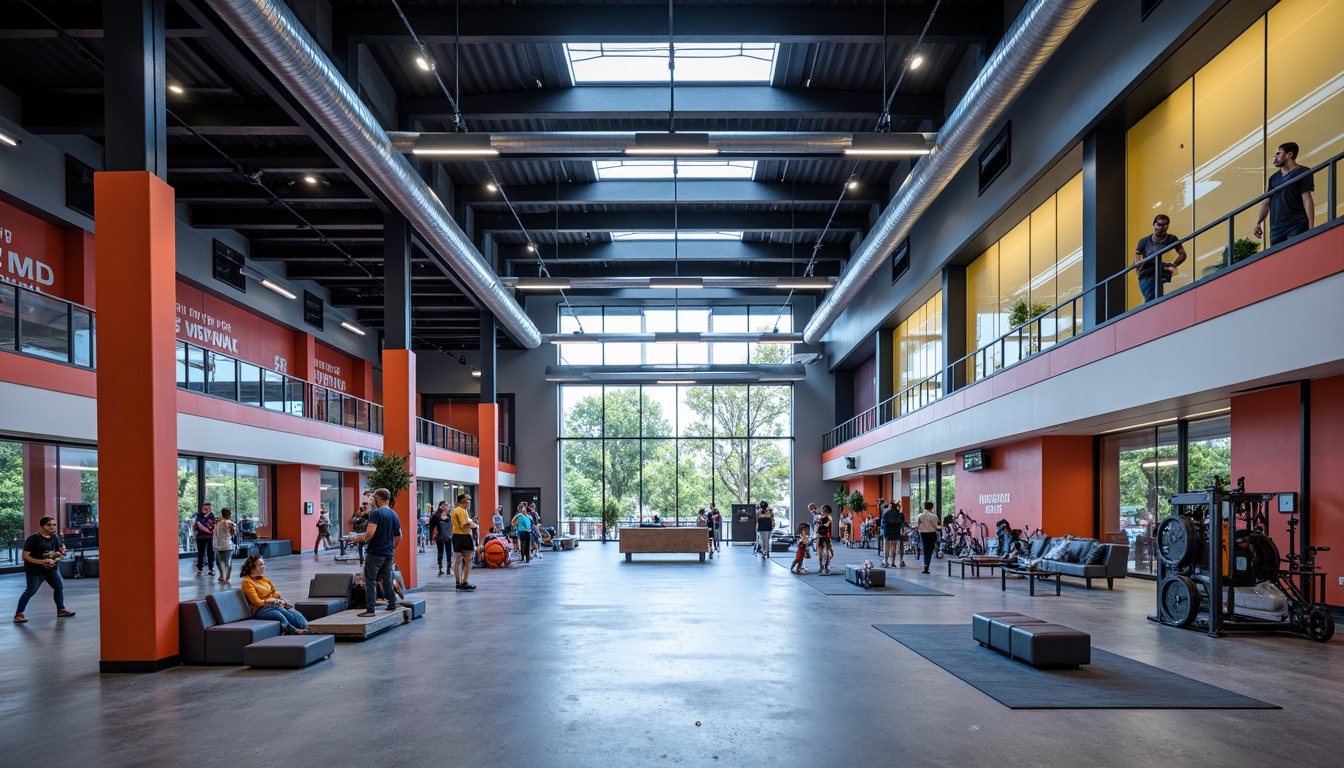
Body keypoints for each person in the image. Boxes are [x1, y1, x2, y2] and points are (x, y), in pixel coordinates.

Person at [13, 517, 76, 623]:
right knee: (30, 591)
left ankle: (61, 610)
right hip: (35, 570)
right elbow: (25, 556)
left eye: (54, 525)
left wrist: (56, 558)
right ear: (42, 526)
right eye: (49, 525)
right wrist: (42, 562)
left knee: (59, 586)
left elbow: (60, 553)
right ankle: (18, 614)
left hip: (51, 569)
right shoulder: (33, 539)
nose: (52, 527)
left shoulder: (55, 538)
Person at [352, 488, 402, 616]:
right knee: (387, 579)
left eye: (373, 498)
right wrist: (391, 548)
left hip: (375, 552)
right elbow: (398, 536)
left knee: (370, 580)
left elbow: (370, 533)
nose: (372, 500)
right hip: (388, 553)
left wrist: (359, 538)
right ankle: (391, 603)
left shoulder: (376, 513)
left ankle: (370, 609)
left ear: (379, 498)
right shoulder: (394, 514)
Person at [1254, 142, 1316, 246]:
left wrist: (1311, 228)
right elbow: (1266, 202)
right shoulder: (1273, 179)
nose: (1275, 157)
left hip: (1296, 225)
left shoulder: (1303, 172)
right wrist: (1258, 222)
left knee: (1297, 255)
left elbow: (1307, 199)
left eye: (1279, 153)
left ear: (1289, 154)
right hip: (1276, 229)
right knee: (1278, 260)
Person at [239, 555, 313, 634]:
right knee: (280, 615)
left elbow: (274, 593)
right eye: (260, 565)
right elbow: (256, 601)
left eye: (263, 564)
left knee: (294, 614)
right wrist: (269, 601)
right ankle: (295, 631)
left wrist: (281, 600)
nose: (264, 567)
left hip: (274, 605)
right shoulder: (247, 582)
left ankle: (310, 629)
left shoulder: (264, 579)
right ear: (252, 568)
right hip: (261, 609)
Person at [1133, 214, 1187, 302]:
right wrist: (1138, 263)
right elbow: (1137, 257)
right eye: (1158, 225)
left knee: (1160, 297)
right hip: (1147, 272)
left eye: (1164, 225)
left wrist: (1174, 265)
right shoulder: (1144, 241)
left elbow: (1182, 254)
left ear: (1168, 226)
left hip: (1161, 272)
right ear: (1154, 224)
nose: (1161, 228)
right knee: (1151, 298)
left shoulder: (1171, 238)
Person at [450, 492, 479, 591]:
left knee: (457, 560)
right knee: (468, 560)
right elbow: (464, 525)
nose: (468, 503)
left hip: (456, 536)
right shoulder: (462, 511)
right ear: (464, 501)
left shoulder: (454, 511)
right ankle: (464, 581)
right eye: (467, 500)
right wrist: (474, 525)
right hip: (465, 537)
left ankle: (458, 581)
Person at [915, 502, 942, 574]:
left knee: (924, 549)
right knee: (929, 550)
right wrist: (939, 527)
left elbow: (917, 526)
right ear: (932, 507)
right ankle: (927, 566)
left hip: (923, 534)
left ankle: (925, 565)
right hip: (932, 534)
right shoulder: (934, 516)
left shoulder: (919, 516)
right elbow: (936, 526)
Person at [214, 508, 238, 585]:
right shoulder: (231, 523)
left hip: (219, 545)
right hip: (228, 545)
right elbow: (234, 535)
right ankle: (226, 578)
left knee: (219, 562)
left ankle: (222, 577)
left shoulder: (218, 522)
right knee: (227, 563)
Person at [192, 502, 217, 576]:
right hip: (200, 537)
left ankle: (210, 568)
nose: (204, 509)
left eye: (207, 508)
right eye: (203, 508)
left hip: (209, 537)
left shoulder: (212, 516)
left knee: (210, 553)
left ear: (210, 508)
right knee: (201, 553)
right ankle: (200, 569)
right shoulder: (198, 515)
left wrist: (211, 531)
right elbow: (197, 525)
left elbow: (213, 526)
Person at [430, 501, 453, 576]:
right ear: (440, 506)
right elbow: (432, 527)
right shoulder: (440, 515)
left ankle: (444, 568)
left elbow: (432, 527)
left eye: (446, 505)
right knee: (445, 551)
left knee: (443, 551)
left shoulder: (439, 515)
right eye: (445, 505)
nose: (446, 506)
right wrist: (432, 538)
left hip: (443, 536)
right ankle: (445, 568)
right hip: (443, 536)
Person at [882, 502, 907, 568]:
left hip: (887, 532)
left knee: (886, 548)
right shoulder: (899, 514)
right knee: (894, 548)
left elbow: (883, 522)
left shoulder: (886, 513)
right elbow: (902, 522)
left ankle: (886, 562)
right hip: (896, 532)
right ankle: (893, 562)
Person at [815, 505, 834, 575]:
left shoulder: (829, 517)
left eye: (824, 510)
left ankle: (826, 565)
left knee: (828, 552)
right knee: (820, 552)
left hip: (826, 537)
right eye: (822, 509)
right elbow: (818, 527)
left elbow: (827, 525)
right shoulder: (820, 517)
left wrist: (821, 523)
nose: (822, 511)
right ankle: (821, 566)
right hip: (820, 536)